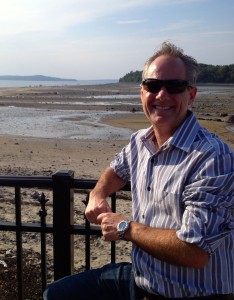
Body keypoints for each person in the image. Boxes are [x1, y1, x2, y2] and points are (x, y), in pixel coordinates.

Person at [44, 42, 234, 299]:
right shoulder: (139, 141)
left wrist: (126, 228)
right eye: (153, 86)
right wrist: (98, 195)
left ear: (191, 94)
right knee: (56, 294)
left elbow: (195, 251)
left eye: (174, 86)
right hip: (142, 279)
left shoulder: (213, 156)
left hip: (192, 292)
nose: (162, 95)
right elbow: (116, 170)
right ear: (142, 92)